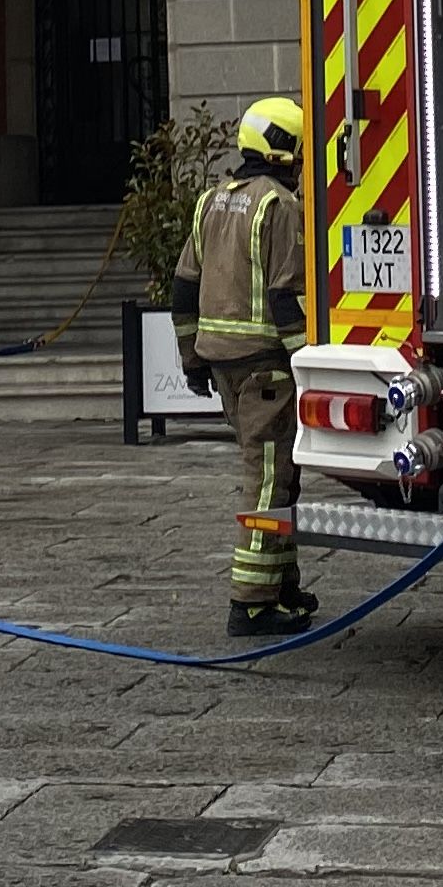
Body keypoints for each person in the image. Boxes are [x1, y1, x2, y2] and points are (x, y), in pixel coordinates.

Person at [171, 95, 316, 639]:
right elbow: (284, 298)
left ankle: (281, 587)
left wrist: (190, 358)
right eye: (299, 149)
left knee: (280, 478)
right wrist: (308, 365)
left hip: (225, 370)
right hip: (267, 373)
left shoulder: (212, 201)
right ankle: (250, 603)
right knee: (267, 485)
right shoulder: (278, 205)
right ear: (284, 148)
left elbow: (182, 290)